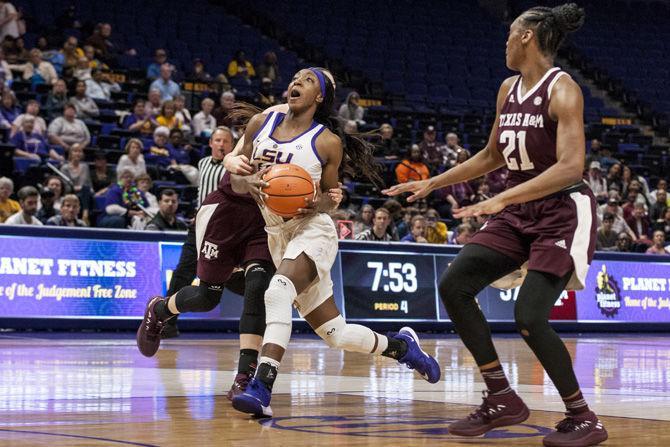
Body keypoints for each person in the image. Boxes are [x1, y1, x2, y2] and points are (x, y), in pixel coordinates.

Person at [384, 5, 608, 446]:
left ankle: (584, 418)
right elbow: (491, 156)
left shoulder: (563, 90)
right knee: (454, 285)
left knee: (529, 316)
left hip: (561, 211)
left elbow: (570, 166)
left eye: (510, 34)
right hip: (519, 211)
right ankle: (501, 396)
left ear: (527, 36)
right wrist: (434, 181)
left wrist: (503, 196)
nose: (504, 42)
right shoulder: (508, 88)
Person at [218, 68, 439, 418]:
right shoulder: (262, 122)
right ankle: (403, 347)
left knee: (276, 291)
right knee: (335, 333)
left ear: (319, 96)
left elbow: (331, 197)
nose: (296, 81)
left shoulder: (326, 142)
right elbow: (237, 178)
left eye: (306, 80)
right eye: (295, 77)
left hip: (313, 230)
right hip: (276, 234)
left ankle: (261, 386)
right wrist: (238, 168)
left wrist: (315, 203)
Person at [60, 144, 92, 223]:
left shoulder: (85, 167)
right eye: (75, 151)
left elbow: (87, 184)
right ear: (70, 153)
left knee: (86, 190)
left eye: (80, 151)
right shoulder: (65, 168)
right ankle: (85, 213)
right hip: (70, 193)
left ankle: (85, 213)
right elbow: (66, 187)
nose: (78, 153)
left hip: (84, 193)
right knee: (85, 190)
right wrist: (79, 188)